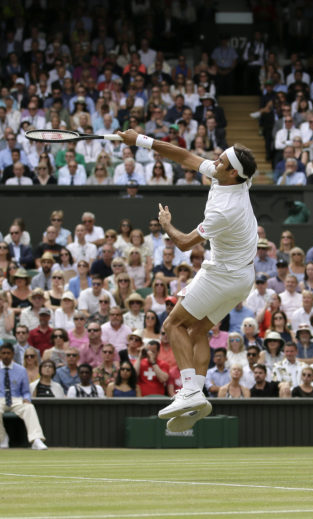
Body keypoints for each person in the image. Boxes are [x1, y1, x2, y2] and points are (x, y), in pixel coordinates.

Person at [114, 130, 258, 431]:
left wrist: (166, 225)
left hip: (223, 274)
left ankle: (189, 390)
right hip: (243, 277)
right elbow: (184, 156)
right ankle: (198, 393)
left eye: (220, 161)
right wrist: (139, 139)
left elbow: (183, 243)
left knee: (172, 325)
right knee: (196, 330)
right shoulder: (232, 177)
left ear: (232, 172)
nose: (213, 162)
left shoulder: (224, 209)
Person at [0, 343, 48, 450]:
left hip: (16, 399)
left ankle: (36, 439)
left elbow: (26, 391)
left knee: (29, 408)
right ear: (0, 354)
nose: (6, 356)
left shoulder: (21, 370)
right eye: (3, 353)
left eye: (8, 353)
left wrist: (27, 398)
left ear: (13, 354)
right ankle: (2, 438)